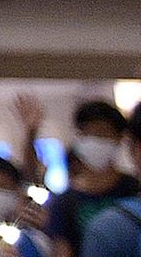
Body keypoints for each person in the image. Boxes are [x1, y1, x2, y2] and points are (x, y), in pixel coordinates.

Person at [50, 103, 139, 257]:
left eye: (101, 134)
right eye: (87, 134)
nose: (94, 142)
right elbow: (62, 250)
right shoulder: (64, 202)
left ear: (120, 138)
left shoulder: (133, 187)